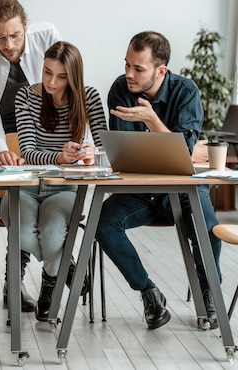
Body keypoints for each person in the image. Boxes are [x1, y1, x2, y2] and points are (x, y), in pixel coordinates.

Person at [95, 31, 221, 330]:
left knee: (209, 229)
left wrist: (152, 121)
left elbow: (183, 152)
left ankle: (210, 295)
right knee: (102, 223)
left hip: (182, 188)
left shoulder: (186, 91)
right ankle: (149, 292)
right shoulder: (120, 89)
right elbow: (125, 152)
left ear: (161, 70)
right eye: (127, 64)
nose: (129, 73)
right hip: (141, 190)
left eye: (138, 68)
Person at [0, 41, 107, 321]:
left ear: (73, 77)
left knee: (51, 232)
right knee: (22, 233)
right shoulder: (26, 96)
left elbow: (107, 149)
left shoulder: (89, 98)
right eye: (47, 72)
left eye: (61, 77)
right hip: (23, 186)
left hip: (64, 189)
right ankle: (67, 268)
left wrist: (90, 154)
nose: (51, 82)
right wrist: (60, 157)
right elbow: (29, 151)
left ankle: (49, 287)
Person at [0, 0, 62, 311]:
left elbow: (60, 88)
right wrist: (1, 150)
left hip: (34, 125)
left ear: (26, 26)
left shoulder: (47, 35)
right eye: (0, 37)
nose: (8, 44)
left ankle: (15, 282)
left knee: (24, 198)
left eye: (15, 35)